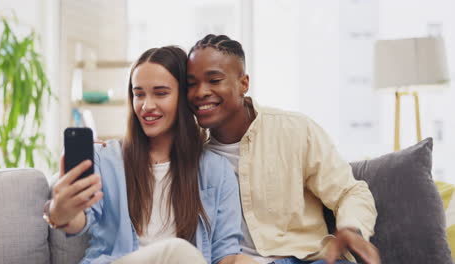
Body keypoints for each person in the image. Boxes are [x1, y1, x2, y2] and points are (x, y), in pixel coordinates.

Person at [186, 34, 380, 264]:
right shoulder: (192, 157)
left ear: (243, 83)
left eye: (214, 80)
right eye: (191, 84)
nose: (200, 92)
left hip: (307, 259)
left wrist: (351, 229)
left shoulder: (294, 130)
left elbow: (349, 192)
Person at [45, 46, 243, 264]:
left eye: (161, 93)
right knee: (178, 251)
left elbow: (226, 254)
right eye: (139, 94)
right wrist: (61, 212)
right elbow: (79, 220)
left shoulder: (217, 171)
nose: (146, 106)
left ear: (184, 98)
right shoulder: (106, 159)